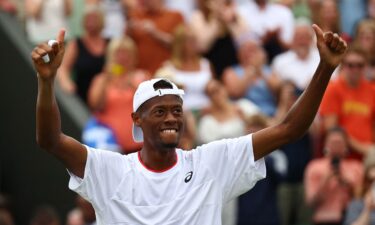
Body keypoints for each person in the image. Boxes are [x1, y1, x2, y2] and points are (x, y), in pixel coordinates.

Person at [31, 24, 347, 224]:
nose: (171, 118)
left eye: (177, 111)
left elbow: (288, 129)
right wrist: (47, 82)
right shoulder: (110, 170)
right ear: (137, 119)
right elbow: (50, 140)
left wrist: (325, 70)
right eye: (160, 112)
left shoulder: (211, 163)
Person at [319, 45, 375, 159]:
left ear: (366, 67)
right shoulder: (333, 89)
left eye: (360, 65)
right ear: (343, 66)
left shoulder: (372, 90)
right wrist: (363, 148)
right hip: (342, 155)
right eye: (351, 65)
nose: (355, 69)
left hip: (368, 155)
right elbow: (332, 129)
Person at [304, 127, 363, 225]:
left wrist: (346, 180)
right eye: (333, 142)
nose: (336, 146)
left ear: (346, 145)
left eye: (339, 143)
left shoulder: (356, 168)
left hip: (350, 218)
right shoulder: (314, 167)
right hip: (323, 219)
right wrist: (325, 181)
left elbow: (361, 199)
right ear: (325, 144)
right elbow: (310, 202)